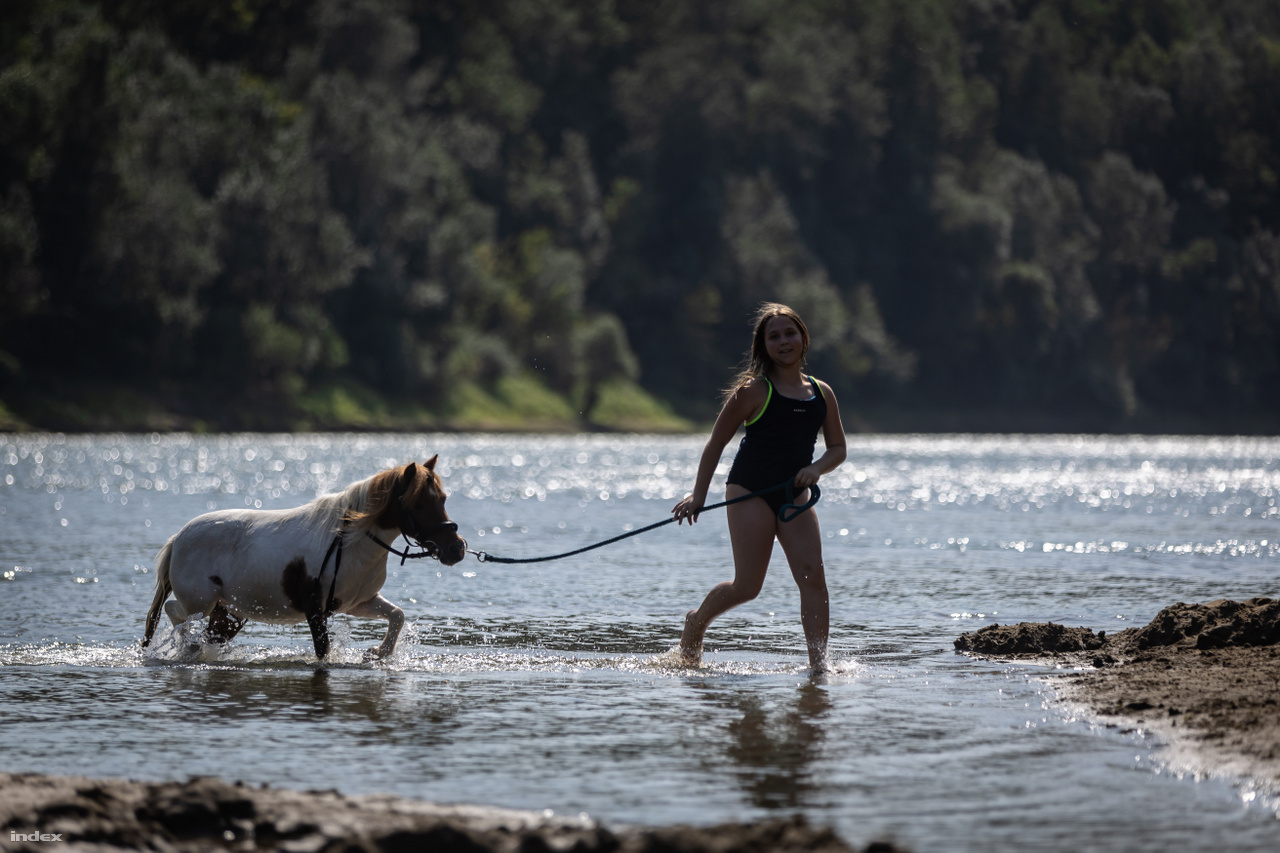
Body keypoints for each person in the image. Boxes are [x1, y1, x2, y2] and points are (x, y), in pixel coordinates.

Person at [672, 303, 847, 670]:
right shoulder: (754, 391)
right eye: (774, 336)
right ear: (763, 345)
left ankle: (819, 667)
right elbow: (715, 443)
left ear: (803, 338)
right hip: (748, 490)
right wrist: (698, 495)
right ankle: (696, 622)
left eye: (790, 333)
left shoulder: (821, 393)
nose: (783, 341)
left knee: (813, 577)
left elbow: (838, 449)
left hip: (794, 494)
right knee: (748, 587)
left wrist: (816, 469)